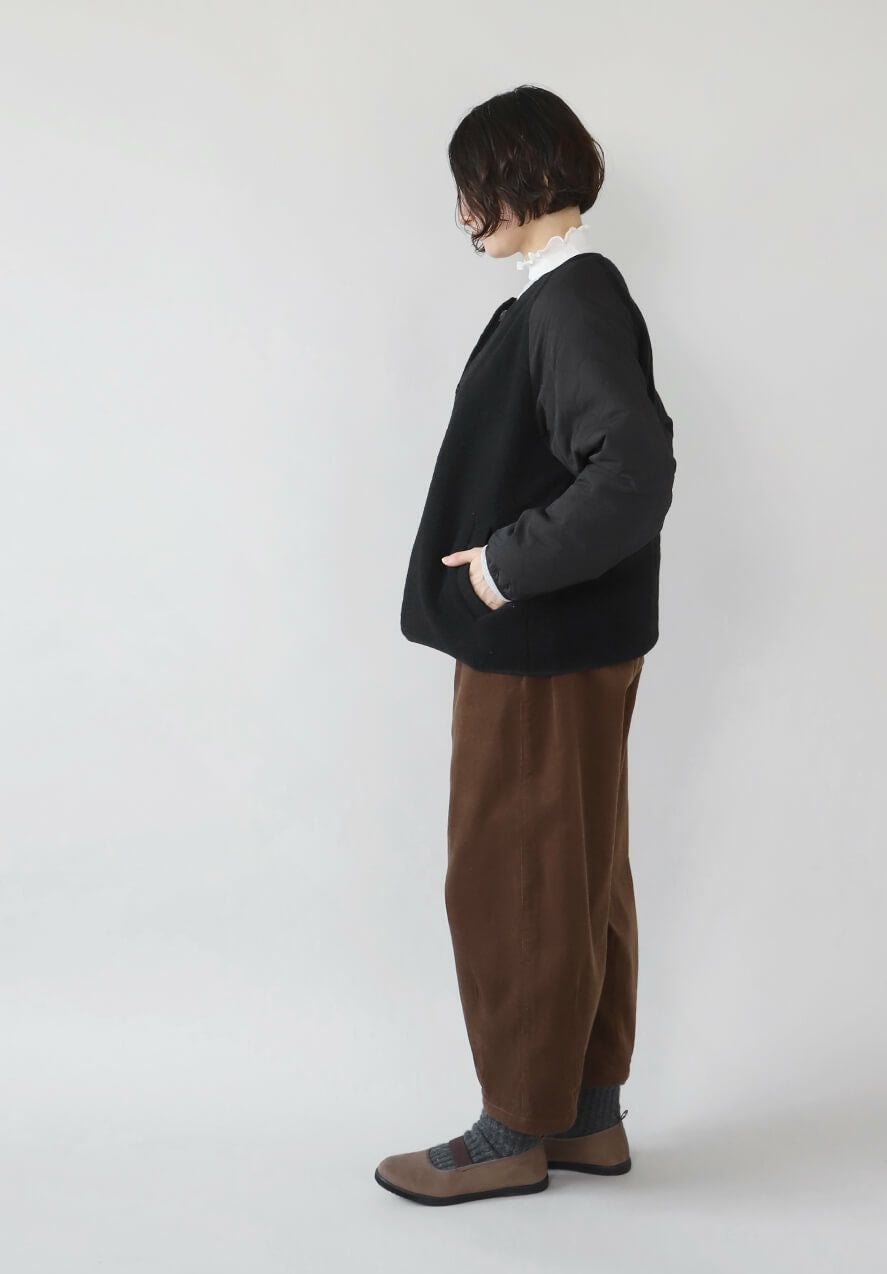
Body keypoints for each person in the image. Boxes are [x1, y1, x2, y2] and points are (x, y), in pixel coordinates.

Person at [377, 84, 676, 1205]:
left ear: (522, 175)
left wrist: (503, 568)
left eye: (474, 188)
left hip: (540, 644)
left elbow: (631, 470)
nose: (465, 215)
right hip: (569, 641)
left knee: (515, 873)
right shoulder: (565, 295)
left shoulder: (569, 300)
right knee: (576, 868)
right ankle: (585, 1116)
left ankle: (512, 1129)